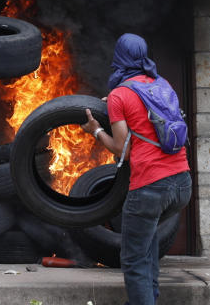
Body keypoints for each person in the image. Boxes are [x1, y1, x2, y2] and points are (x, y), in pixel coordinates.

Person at [80, 33, 191, 305]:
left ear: (118, 58)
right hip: (182, 184)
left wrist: (96, 131)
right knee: (148, 246)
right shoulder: (162, 85)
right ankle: (149, 298)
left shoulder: (120, 95)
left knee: (133, 259)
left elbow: (122, 149)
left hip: (151, 187)